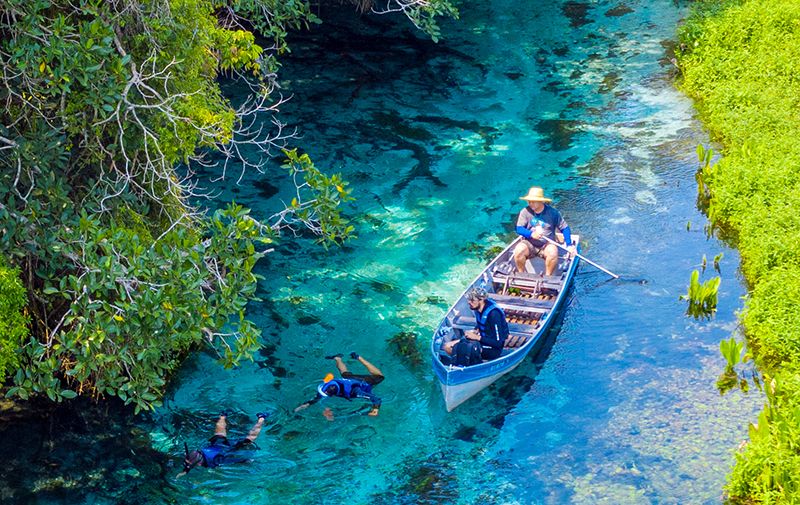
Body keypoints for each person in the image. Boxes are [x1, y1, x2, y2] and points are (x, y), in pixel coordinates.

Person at [177, 411, 268, 477]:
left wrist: (245, 461)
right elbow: (190, 463)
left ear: (199, 464)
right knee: (219, 434)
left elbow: (232, 460)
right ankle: (223, 415)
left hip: (227, 448)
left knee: (250, 439)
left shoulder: (216, 460)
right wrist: (184, 472)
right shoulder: (197, 455)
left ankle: (261, 418)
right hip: (216, 444)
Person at [295, 353, 384, 417]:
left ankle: (359, 357)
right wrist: (302, 407)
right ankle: (337, 358)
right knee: (345, 374)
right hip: (348, 378)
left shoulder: (356, 391)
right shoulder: (328, 385)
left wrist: (376, 409)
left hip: (361, 382)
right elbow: (315, 400)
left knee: (380, 377)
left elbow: (376, 399)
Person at [513, 186, 576, 276]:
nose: (530, 204)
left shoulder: (553, 213)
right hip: (529, 243)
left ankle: (548, 277)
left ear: (541, 201)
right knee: (519, 250)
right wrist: (531, 234)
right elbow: (519, 228)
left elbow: (564, 228)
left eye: (533, 201)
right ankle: (521, 275)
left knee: (553, 252)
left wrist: (569, 245)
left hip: (547, 244)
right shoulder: (525, 211)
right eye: (529, 201)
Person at [443, 286, 508, 362]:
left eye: (472, 300)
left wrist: (476, 337)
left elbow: (498, 343)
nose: (469, 302)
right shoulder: (477, 308)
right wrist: (475, 330)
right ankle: (467, 363)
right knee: (447, 346)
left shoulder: (494, 315)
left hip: (493, 348)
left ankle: (470, 365)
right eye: (469, 299)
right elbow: (482, 323)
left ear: (481, 300)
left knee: (466, 349)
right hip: (482, 341)